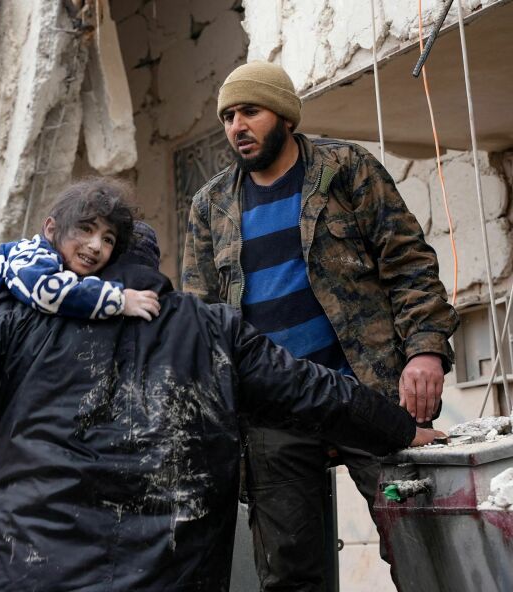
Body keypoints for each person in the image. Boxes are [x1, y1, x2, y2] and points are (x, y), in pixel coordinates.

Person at [0, 223, 441, 591]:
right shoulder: (213, 331)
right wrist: (399, 429)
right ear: (155, 268)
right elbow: (314, 392)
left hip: (15, 572)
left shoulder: (13, 317)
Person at [181, 61, 459, 591]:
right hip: (274, 413)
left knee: (423, 550)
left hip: (372, 394)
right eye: (228, 116)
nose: (236, 126)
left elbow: (409, 265)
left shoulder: (345, 168)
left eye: (250, 111)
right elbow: (204, 322)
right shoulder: (210, 205)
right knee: (291, 576)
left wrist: (425, 351)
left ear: (284, 115)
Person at [0, 178, 160, 472]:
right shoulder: (34, 258)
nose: (95, 245)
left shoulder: (56, 267)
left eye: (108, 239)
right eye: (85, 229)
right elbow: (48, 292)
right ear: (51, 229)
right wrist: (118, 300)